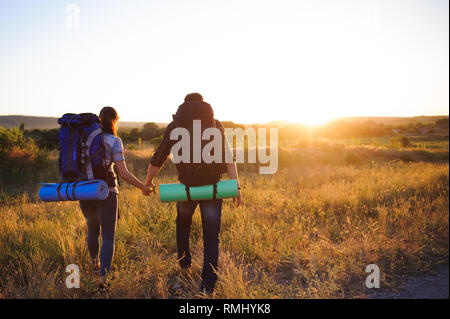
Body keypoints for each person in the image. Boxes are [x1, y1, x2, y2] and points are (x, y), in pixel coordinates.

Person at [144, 93, 242, 294]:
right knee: (211, 237)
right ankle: (208, 287)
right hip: (213, 189)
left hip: (186, 189)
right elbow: (228, 157)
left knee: (182, 227)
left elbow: (160, 156)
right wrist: (236, 186)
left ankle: (185, 268)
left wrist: (148, 181)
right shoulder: (215, 125)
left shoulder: (176, 126)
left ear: (185, 105)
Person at [79, 106, 151, 290]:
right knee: (108, 237)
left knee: (92, 230)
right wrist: (142, 186)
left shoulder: (84, 140)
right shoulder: (114, 141)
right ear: (114, 121)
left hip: (84, 191)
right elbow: (123, 173)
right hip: (106, 192)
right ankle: (103, 280)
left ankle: (95, 265)